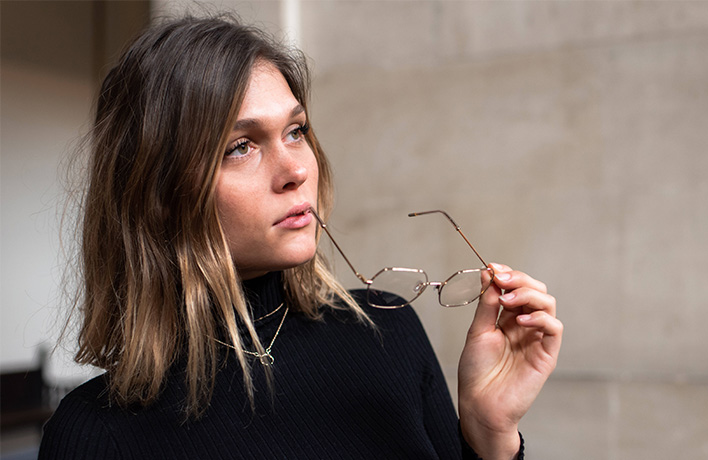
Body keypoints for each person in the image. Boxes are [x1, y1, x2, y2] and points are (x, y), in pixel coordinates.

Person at [39, 14, 562, 460]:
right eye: (240, 146)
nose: (295, 170)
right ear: (158, 191)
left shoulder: (387, 333)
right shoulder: (95, 434)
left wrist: (490, 436)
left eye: (296, 131)